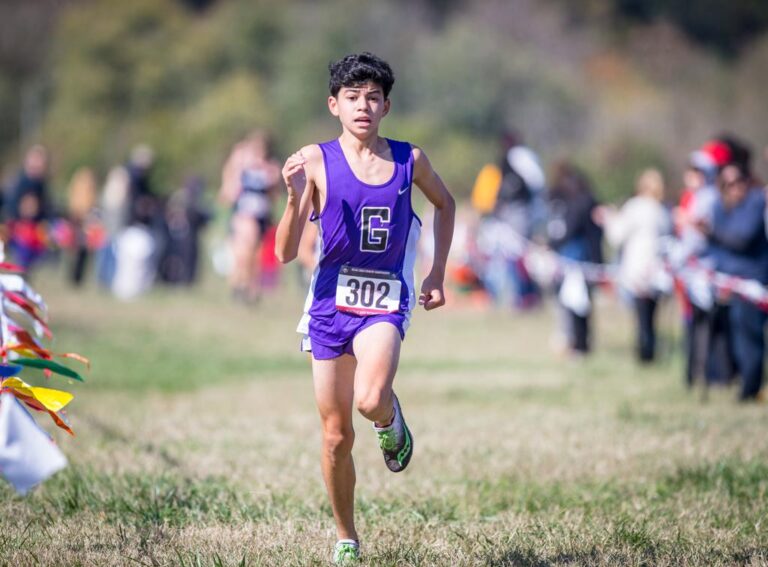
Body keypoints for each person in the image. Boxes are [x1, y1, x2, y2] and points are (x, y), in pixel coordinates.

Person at [274, 52, 455, 564]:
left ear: (386, 106)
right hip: (329, 303)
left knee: (370, 399)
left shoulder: (408, 160)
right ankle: (346, 538)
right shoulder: (313, 161)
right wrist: (292, 200)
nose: (363, 106)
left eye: (373, 98)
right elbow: (285, 253)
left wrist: (437, 271)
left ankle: (392, 420)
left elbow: (446, 204)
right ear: (334, 105)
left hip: (384, 300)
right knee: (335, 437)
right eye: (352, 97)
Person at [699, 160, 768, 401]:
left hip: (752, 280)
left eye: (737, 182)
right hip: (727, 281)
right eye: (727, 183)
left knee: (749, 335)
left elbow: (742, 239)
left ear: (746, 181)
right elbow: (716, 248)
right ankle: (738, 380)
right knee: (734, 337)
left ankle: (750, 388)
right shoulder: (720, 205)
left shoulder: (756, 201)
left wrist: (711, 231)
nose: (733, 187)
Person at [596, 169, 671, 363]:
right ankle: (649, 350)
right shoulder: (662, 210)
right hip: (657, 269)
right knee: (650, 315)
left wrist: (609, 218)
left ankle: (645, 353)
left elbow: (616, 236)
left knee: (641, 315)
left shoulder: (636, 207)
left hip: (639, 268)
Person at [219, 131, 281, 303]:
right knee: (242, 253)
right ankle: (238, 285)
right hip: (243, 214)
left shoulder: (270, 167)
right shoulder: (241, 162)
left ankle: (248, 287)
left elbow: (273, 196)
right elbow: (229, 185)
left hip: (262, 215)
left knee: (256, 256)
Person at [547, 161, 602, 355]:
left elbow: (570, 232)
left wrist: (550, 245)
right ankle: (577, 342)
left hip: (579, 261)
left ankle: (579, 344)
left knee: (578, 304)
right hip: (577, 259)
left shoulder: (581, 204)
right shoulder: (583, 202)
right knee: (575, 304)